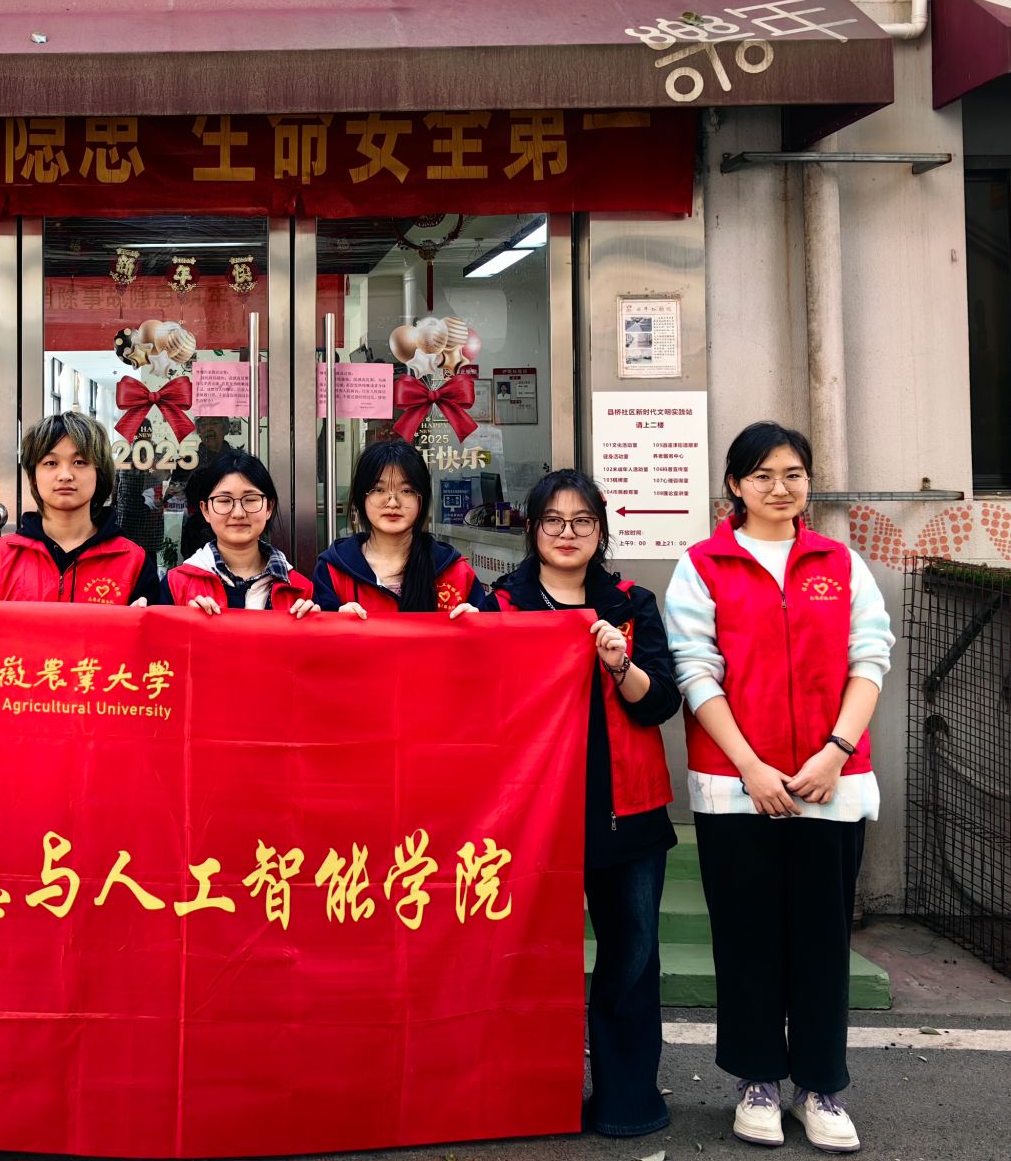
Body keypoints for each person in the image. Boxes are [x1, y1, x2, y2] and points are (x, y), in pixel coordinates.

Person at [665, 421, 891, 1155]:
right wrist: (750, 767)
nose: (779, 487)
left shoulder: (840, 563)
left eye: (792, 473)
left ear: (808, 482)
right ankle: (758, 1081)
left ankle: (821, 1086)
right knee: (748, 940)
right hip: (736, 789)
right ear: (735, 484)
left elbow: (870, 658)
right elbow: (695, 669)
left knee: (822, 942)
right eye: (761, 475)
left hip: (831, 785)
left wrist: (835, 752)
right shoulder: (703, 566)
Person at [492, 469, 679, 1140]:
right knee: (526, 957)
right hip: (532, 816)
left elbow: (661, 703)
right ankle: (533, 1095)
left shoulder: (631, 603)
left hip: (627, 810)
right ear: (532, 528)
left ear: (600, 531)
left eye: (582, 521)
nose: (567, 533)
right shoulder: (501, 606)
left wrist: (621, 666)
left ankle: (627, 1099)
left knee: (631, 956)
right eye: (553, 520)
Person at [0, 410, 161, 605]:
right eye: (51, 463)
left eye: (79, 462)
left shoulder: (134, 562)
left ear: (98, 473)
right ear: (34, 476)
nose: (65, 475)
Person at [311, 437, 493, 616]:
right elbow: (317, 632)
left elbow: (488, 631)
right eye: (379, 490)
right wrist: (333, 619)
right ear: (361, 497)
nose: (392, 503)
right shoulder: (333, 571)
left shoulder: (455, 572)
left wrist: (476, 624)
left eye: (406, 491)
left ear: (421, 499)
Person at [160, 448, 319, 617]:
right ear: (205, 510)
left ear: (269, 508)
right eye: (224, 500)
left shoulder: (302, 591)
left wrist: (312, 627)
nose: (238, 513)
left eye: (250, 500)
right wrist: (185, 626)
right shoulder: (176, 585)